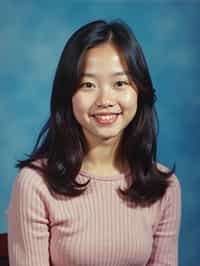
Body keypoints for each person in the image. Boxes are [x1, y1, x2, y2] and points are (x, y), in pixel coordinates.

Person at [7, 19, 181, 266]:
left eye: (120, 83)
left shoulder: (165, 187)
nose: (105, 99)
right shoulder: (35, 184)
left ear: (139, 92)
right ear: (67, 96)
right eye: (88, 84)